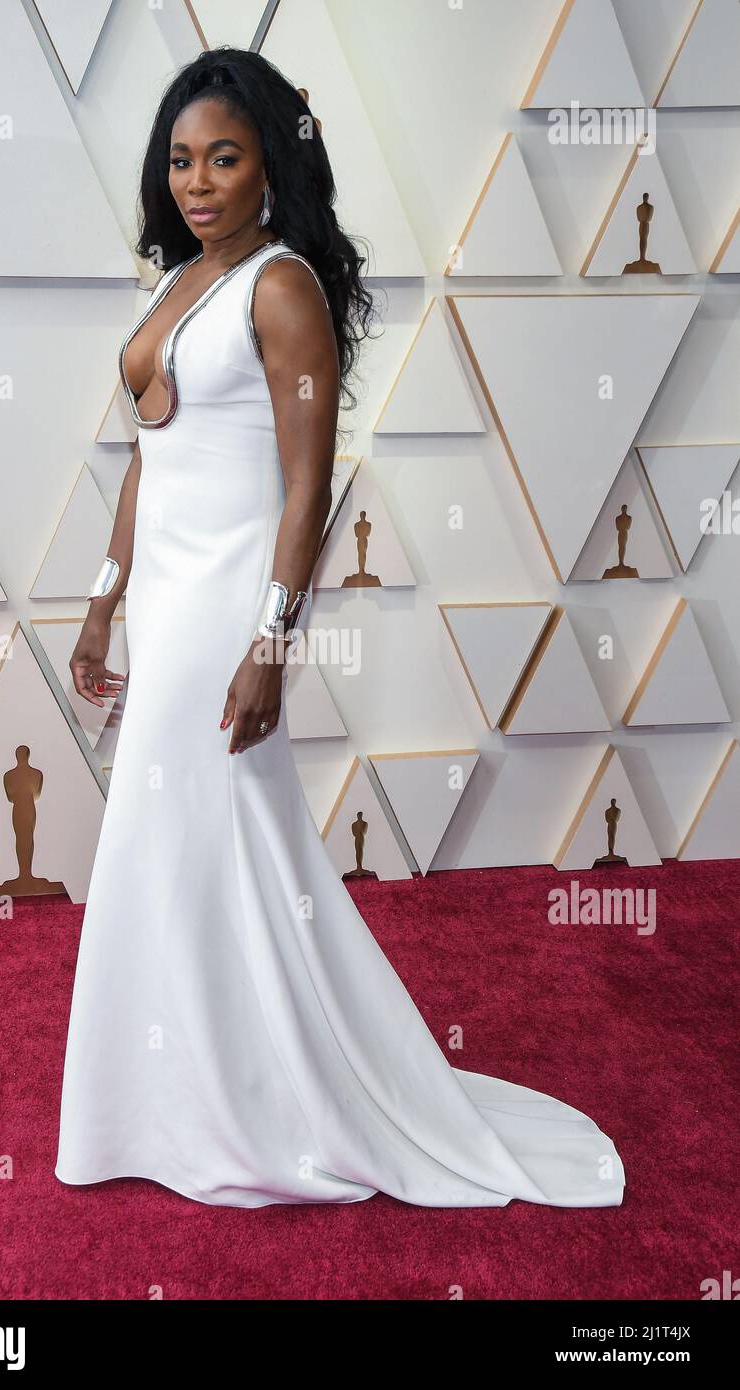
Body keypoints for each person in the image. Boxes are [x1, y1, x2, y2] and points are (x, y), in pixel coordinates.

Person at [55, 47, 625, 1210]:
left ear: (269, 166)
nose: (197, 181)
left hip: (227, 608)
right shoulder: (172, 284)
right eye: (179, 159)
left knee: (183, 839)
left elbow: (306, 490)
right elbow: (142, 465)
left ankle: (244, 1101)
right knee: (191, 847)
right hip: (163, 600)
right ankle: (174, 1090)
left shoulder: (278, 286)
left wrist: (270, 644)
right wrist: (103, 601)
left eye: (223, 156)